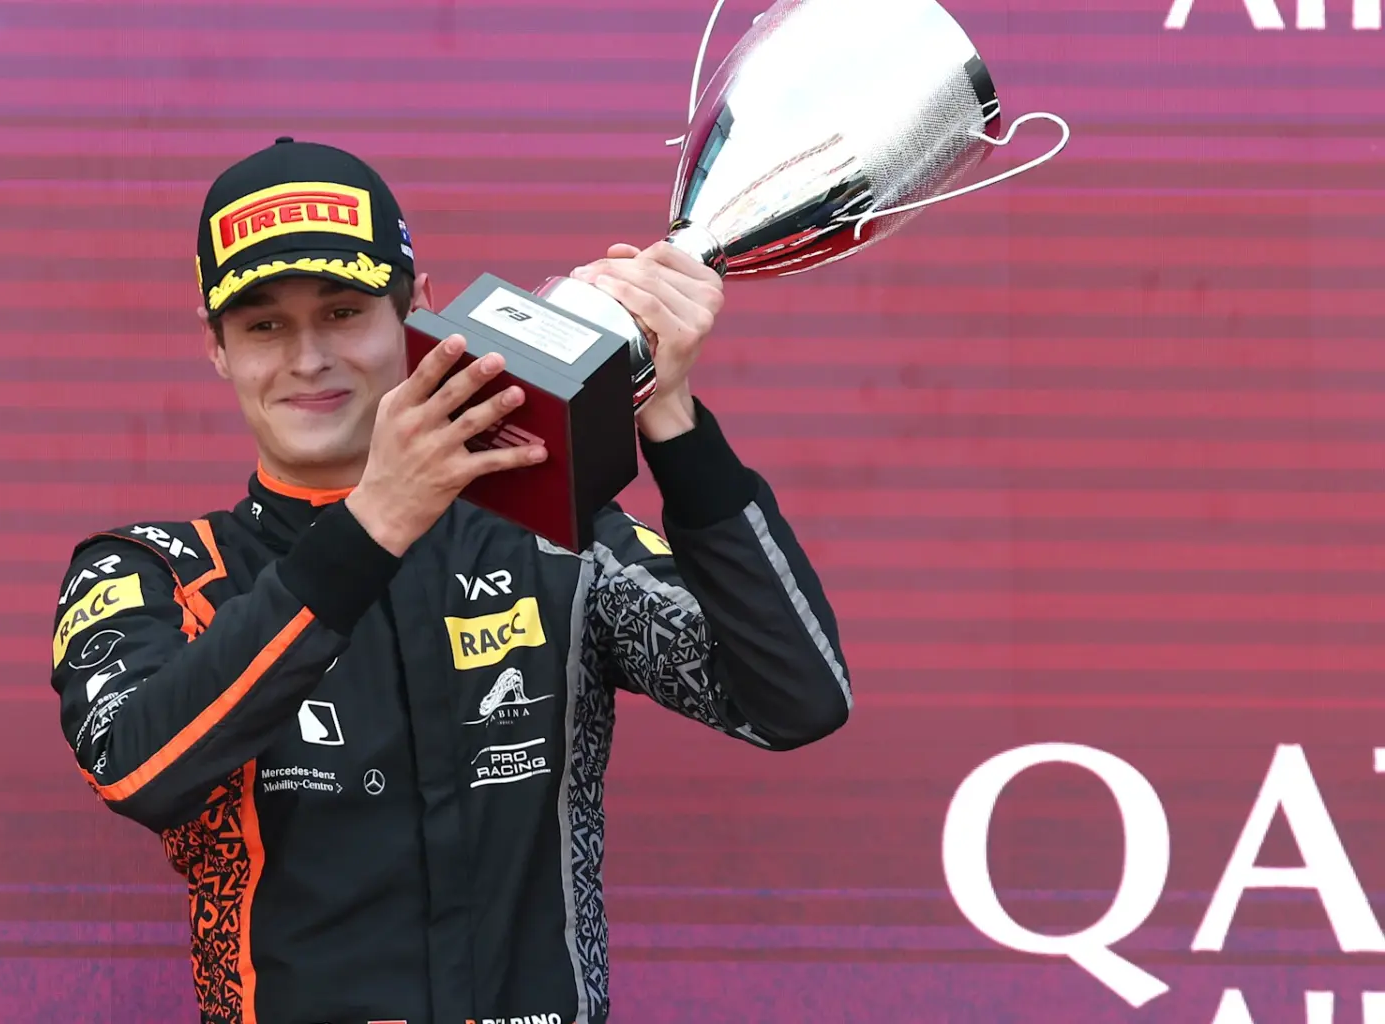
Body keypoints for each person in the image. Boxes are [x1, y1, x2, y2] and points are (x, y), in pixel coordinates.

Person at [48, 136, 853, 1024]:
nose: (308, 357)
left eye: (345, 311)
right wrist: (375, 522)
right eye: (264, 324)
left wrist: (668, 414)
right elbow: (138, 772)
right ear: (217, 349)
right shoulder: (156, 568)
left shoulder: (557, 543)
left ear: (418, 312)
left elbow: (793, 700)